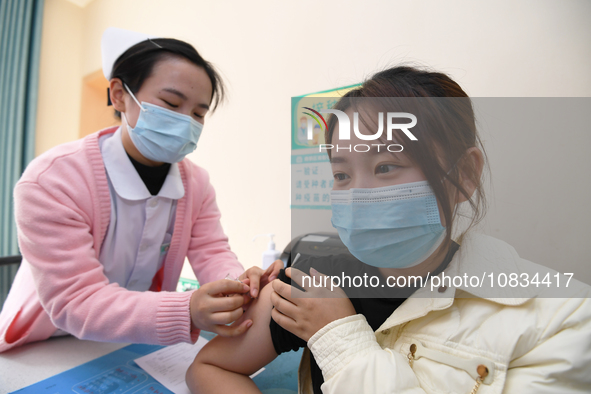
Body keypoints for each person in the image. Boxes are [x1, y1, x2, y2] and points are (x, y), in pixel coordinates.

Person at [185, 66, 591, 393]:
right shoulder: (313, 277)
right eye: (341, 175)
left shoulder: (564, 319)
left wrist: (336, 336)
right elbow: (209, 367)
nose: (357, 195)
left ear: (464, 175)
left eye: (386, 167)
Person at [0, 27, 282, 352]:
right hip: (48, 340)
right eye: (171, 102)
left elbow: (211, 250)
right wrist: (187, 310)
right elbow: (75, 301)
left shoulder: (197, 184)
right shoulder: (52, 180)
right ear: (119, 94)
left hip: (134, 335)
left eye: (198, 113)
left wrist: (242, 282)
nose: (186, 122)